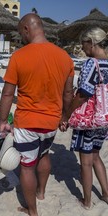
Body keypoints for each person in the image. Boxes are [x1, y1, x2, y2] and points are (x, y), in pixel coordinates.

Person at [0, 13, 74, 216]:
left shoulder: (19, 56)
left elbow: (7, 93)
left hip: (27, 122)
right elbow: (68, 94)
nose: (21, 38)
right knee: (43, 155)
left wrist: (3, 121)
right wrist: (64, 117)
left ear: (26, 29)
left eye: (20, 33)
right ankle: (40, 192)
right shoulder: (65, 57)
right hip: (51, 123)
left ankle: (32, 210)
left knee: (26, 167)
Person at [60, 27, 108, 210]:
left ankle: (87, 201)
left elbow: (83, 94)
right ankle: (105, 193)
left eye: (84, 43)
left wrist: (67, 114)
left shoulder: (91, 64)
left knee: (86, 161)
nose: (83, 47)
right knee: (96, 156)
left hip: (89, 119)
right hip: (104, 118)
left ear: (92, 43)